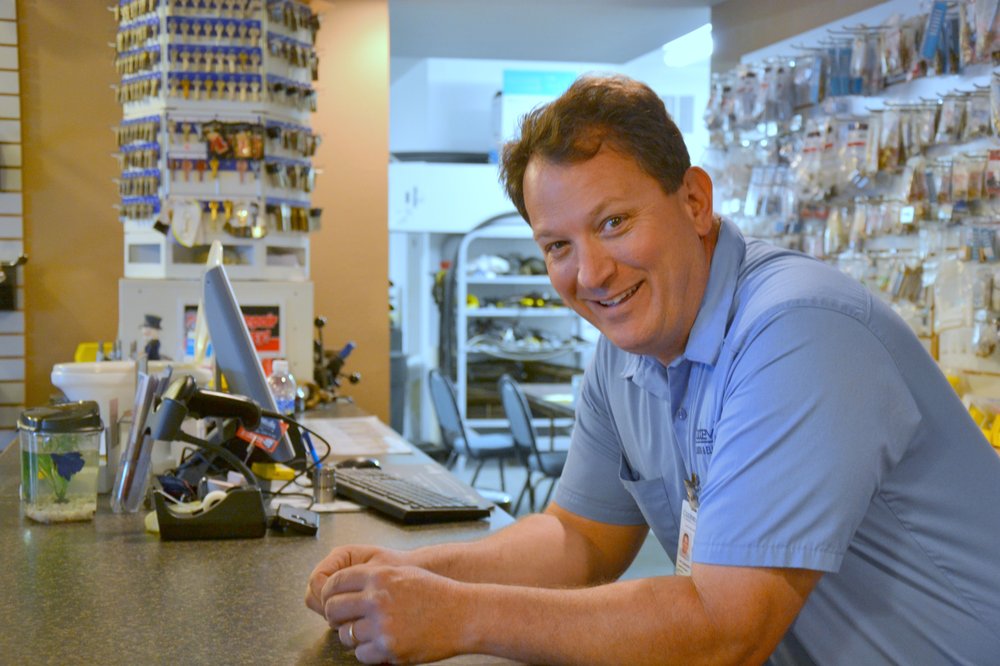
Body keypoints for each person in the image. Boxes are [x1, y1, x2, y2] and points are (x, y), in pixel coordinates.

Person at [306, 74, 1000, 664]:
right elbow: (580, 538)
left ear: (694, 201)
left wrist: (460, 616)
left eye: (612, 223)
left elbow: (726, 629)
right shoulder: (626, 355)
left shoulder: (797, 332)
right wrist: (401, 573)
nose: (591, 273)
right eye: (557, 246)